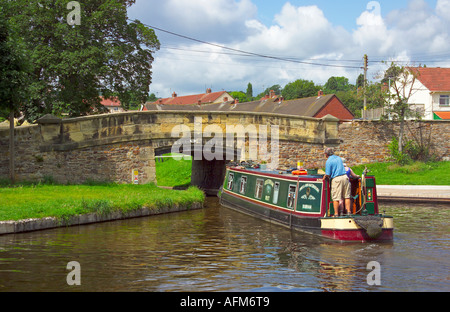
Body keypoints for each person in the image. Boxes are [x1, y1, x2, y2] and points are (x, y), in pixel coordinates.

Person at [323, 147, 351, 217]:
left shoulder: (328, 161)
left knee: (336, 198)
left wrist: (324, 177)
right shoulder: (338, 158)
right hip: (345, 177)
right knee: (347, 196)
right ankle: (349, 212)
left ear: (326, 154)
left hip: (337, 179)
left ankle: (336, 214)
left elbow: (328, 174)